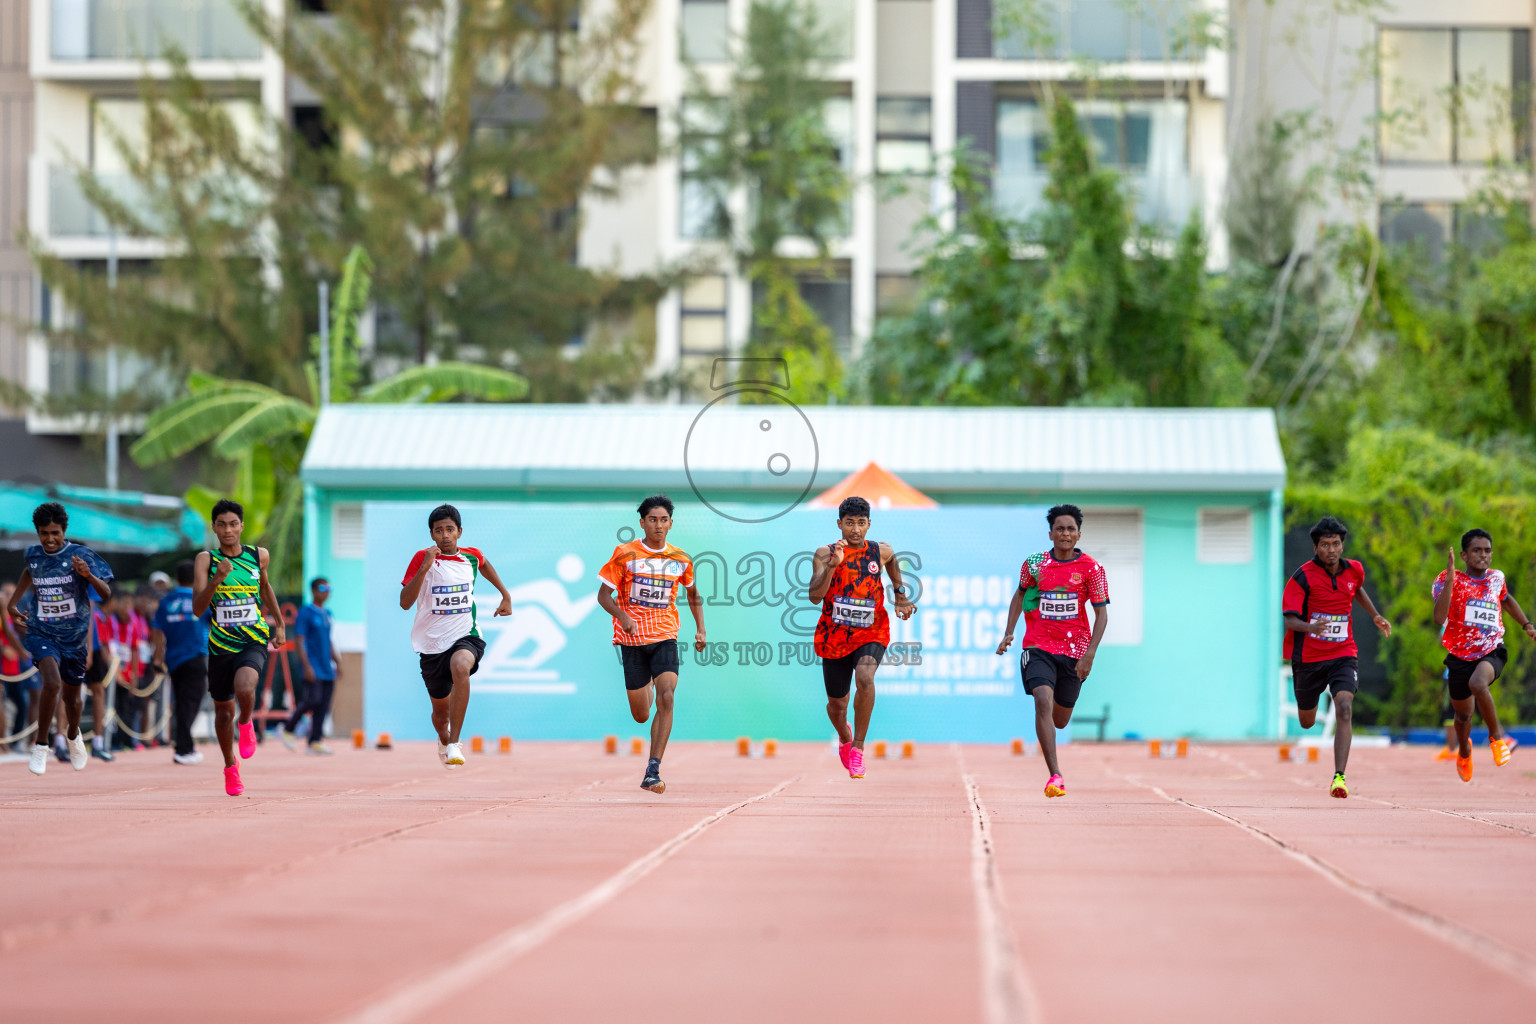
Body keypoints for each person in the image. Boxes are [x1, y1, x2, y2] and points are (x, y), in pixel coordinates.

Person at [597, 495, 707, 794]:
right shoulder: (625, 554)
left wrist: (700, 629)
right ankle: (645, 684)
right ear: (642, 522)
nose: (658, 525)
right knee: (641, 715)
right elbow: (603, 596)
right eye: (652, 520)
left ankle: (652, 769)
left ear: (671, 523)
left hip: (664, 636)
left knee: (668, 696)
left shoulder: (680, 558)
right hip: (631, 640)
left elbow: (693, 593)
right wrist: (623, 615)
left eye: (664, 520)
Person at [997, 504, 1109, 799]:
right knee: (1042, 700)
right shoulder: (1034, 564)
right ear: (1050, 533)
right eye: (1060, 528)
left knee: (1060, 719)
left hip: (1075, 651)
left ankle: (1055, 766)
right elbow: (1020, 595)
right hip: (1038, 646)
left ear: (1079, 534)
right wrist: (1009, 632)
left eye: (1071, 529)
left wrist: (1090, 655)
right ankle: (1055, 775)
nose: (1065, 533)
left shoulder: (1092, 570)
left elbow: (1102, 616)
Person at [1281, 516, 1391, 799]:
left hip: (1343, 652)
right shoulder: (1302, 577)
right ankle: (1310, 704)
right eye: (1325, 545)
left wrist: (1375, 615)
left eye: (1337, 544)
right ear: (1316, 548)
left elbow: (1357, 589)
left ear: (1343, 545)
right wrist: (1311, 627)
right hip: (1308, 657)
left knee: (1344, 707)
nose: (1332, 549)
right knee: (1307, 720)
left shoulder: (1353, 570)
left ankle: (1338, 777)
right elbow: (1291, 621)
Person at [807, 495, 915, 780]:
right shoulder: (824, 553)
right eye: (850, 523)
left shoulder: (880, 550)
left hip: (872, 629)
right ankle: (845, 735)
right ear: (839, 523)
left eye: (861, 523)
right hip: (834, 635)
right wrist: (832, 565)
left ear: (869, 524)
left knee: (865, 678)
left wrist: (900, 594)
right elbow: (815, 596)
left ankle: (857, 749)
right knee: (837, 706)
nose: (855, 530)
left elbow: (892, 562)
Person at [399, 504, 513, 768]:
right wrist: (425, 567)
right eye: (439, 531)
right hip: (431, 645)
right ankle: (444, 736)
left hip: (466, 636)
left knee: (461, 666)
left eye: (450, 529)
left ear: (459, 532)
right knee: (441, 716)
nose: (445, 535)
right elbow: (405, 603)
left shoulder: (470, 557)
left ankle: (454, 744)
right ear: (432, 534)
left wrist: (505, 594)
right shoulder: (422, 558)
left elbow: (484, 564)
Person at [4, 502, 114, 776]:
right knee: (51, 682)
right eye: (44, 533)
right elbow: (29, 573)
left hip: (74, 636)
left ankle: (74, 734)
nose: (50, 539)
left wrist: (87, 574)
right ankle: (41, 745)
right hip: (42, 631)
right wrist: (13, 603)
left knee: (72, 698)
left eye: (55, 533)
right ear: (37, 533)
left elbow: (106, 593)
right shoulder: (33, 555)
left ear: (64, 531)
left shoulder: (81, 555)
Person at [192, 499, 286, 796]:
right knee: (222, 712)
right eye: (222, 525)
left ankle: (246, 723)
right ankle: (230, 767)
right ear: (214, 528)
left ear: (241, 526)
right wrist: (217, 578)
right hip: (221, 644)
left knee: (246, 688)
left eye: (233, 524)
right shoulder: (205, 560)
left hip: (253, 638)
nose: (228, 530)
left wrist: (280, 624)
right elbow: (197, 608)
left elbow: (265, 587)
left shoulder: (259, 556)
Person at [1432, 529, 1534, 780]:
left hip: (1492, 650)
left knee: (1478, 683)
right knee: (1463, 715)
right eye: (1477, 550)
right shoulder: (1447, 579)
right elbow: (1438, 617)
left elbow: (1506, 599)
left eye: (1487, 550)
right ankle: (1464, 752)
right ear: (1464, 555)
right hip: (1459, 657)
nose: (1483, 555)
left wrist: (1527, 625)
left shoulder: (1496, 578)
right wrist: (1450, 582)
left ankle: (1497, 740)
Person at [152, 561, 210, 765]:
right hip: (195, 655)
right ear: (196, 578)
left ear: (177, 579)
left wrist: (157, 657)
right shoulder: (200, 599)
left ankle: (185, 746)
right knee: (192, 701)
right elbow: (214, 624)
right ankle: (183, 748)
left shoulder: (166, 602)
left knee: (181, 701)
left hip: (173, 659)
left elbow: (158, 632)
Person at [281, 577, 340, 755]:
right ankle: (288, 728)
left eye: (329, 588)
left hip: (326, 667)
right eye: (323, 587)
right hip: (312, 665)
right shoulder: (305, 613)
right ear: (313, 591)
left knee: (324, 704)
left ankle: (314, 741)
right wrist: (306, 666)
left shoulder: (327, 614)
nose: (326, 591)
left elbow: (328, 640)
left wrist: (337, 660)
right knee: (312, 700)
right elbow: (299, 640)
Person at [2, 580, 40, 754]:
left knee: (21, 703)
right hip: (9, 665)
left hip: (14, 666)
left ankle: (14, 741)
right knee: (28, 699)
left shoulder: (10, 613)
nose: (11, 598)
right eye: (8, 594)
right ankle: (8, 744)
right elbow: (11, 633)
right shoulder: (5, 610)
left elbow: (12, 633)